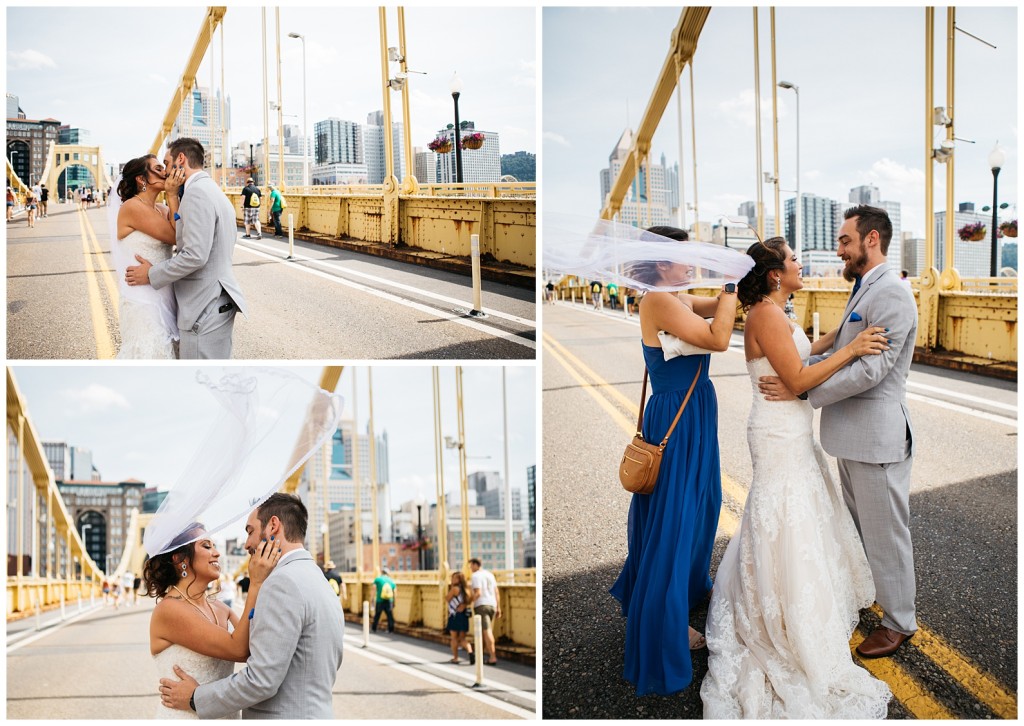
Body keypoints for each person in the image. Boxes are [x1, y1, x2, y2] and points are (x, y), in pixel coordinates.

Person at [700, 236, 893, 718]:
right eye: (793, 261)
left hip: (789, 427)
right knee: (785, 516)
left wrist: (845, 338)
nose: (800, 265)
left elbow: (805, 352)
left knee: (797, 516)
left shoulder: (777, 313)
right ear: (774, 274)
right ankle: (783, 614)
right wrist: (855, 353)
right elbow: (800, 381)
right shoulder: (765, 315)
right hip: (776, 431)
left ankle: (799, 601)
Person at [760, 205, 919, 659]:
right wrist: (799, 371)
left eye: (845, 240)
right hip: (855, 435)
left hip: (878, 436)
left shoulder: (890, 292)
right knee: (866, 528)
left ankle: (899, 622)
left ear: (871, 240)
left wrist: (802, 391)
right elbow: (842, 350)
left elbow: (871, 369)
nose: (839, 249)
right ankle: (882, 596)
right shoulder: (866, 287)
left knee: (887, 532)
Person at [608, 225, 741, 696]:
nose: (691, 263)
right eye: (685, 256)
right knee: (677, 519)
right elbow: (719, 337)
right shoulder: (657, 300)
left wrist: (737, 287)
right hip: (677, 420)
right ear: (662, 261)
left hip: (694, 411)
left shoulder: (675, 295)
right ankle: (664, 625)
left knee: (699, 512)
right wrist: (728, 285)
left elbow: (719, 313)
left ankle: (674, 596)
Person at [160, 494, 345, 719]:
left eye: (250, 531)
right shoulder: (319, 580)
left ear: (273, 526)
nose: (247, 544)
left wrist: (194, 698)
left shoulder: (282, 583)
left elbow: (262, 680)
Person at [125, 138, 248, 359]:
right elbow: (186, 239)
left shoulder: (196, 194)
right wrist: (172, 196)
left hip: (204, 306)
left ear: (180, 159)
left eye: (166, 162)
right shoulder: (212, 190)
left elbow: (194, 255)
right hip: (216, 301)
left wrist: (151, 274)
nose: (164, 171)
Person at [148, 522, 281, 720]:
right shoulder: (169, 610)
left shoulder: (221, 608)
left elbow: (257, 649)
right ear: (179, 559)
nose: (217, 553)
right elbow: (239, 649)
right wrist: (256, 583)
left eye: (215, 546)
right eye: (206, 546)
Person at [111, 154, 180, 359]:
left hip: (165, 292)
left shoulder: (162, 209)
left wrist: (173, 198)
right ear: (141, 179)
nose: (165, 172)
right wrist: (173, 195)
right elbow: (175, 236)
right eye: (158, 169)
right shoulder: (132, 207)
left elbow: (183, 236)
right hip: (142, 299)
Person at [468, 558, 500, 665]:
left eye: (471, 565)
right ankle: (479, 655)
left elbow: (478, 593)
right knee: (482, 631)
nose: (470, 568)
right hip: (492, 605)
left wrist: (469, 603)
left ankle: (492, 657)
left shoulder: (476, 576)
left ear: (476, 565)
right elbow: (496, 592)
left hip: (482, 605)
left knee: (487, 631)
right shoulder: (490, 574)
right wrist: (498, 607)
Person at [445, 571, 474, 664]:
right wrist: (464, 604)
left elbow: (447, 598)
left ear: (459, 580)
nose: (452, 579)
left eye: (454, 578)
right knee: (462, 639)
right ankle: (470, 652)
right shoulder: (467, 589)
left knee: (454, 638)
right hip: (464, 615)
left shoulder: (454, 589)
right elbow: (471, 598)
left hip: (455, 615)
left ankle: (455, 658)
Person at [372, 567, 397, 633]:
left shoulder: (378, 579)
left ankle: (374, 628)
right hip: (389, 600)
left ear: (382, 572)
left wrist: (372, 599)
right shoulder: (391, 581)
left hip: (380, 600)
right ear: (388, 573)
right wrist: (394, 602)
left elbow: (373, 589)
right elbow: (395, 592)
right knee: (389, 615)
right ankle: (390, 629)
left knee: (377, 614)